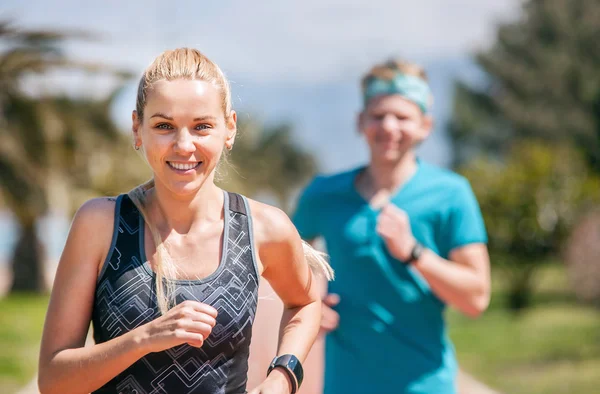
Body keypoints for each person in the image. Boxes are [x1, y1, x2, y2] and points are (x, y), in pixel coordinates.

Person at [38, 48, 332, 394]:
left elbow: (306, 302)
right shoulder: (101, 224)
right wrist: (146, 337)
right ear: (137, 129)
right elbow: (54, 381)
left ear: (229, 129)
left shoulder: (264, 228)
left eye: (201, 127)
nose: (183, 145)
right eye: (164, 126)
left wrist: (283, 378)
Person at [292, 59, 491, 394]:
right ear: (360, 122)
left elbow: (477, 297)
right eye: (378, 115)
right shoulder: (323, 194)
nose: (388, 126)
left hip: (426, 384)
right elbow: (279, 258)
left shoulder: (450, 194)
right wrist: (306, 302)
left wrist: (413, 252)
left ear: (425, 126)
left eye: (402, 117)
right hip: (346, 384)